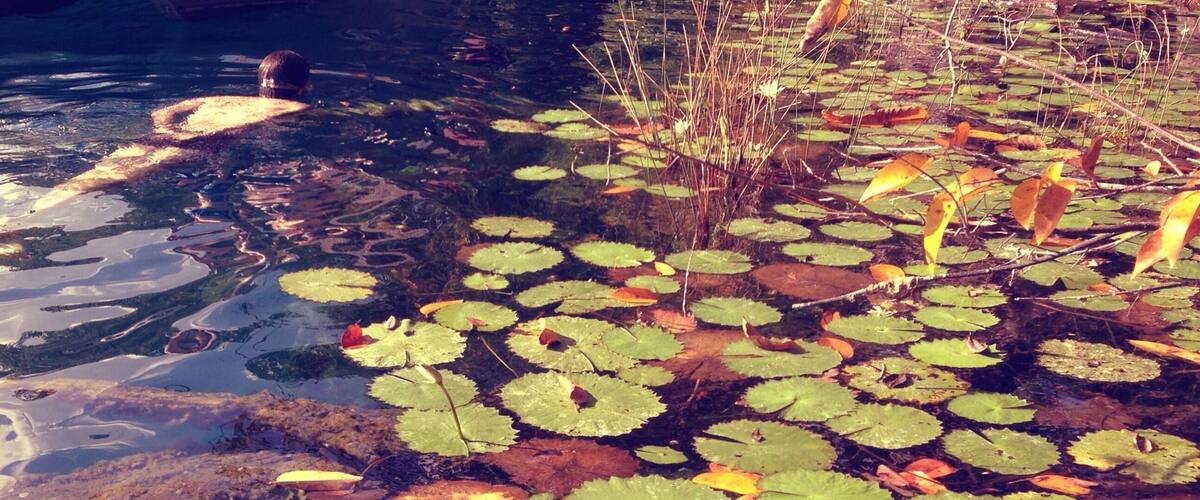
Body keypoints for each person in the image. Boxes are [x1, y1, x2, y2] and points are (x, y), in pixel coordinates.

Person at [19, 50, 312, 217]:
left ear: (258, 80)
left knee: (101, 171)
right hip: (199, 144)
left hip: (166, 135)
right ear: (306, 85)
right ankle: (21, 223)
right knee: (112, 180)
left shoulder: (222, 98)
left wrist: (165, 129)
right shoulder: (292, 108)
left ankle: (24, 213)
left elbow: (164, 110)